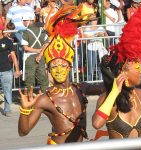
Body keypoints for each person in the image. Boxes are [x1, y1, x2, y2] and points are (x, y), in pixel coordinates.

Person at [18, 5, 106, 145]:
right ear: (49, 70)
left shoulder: (81, 89)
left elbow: (106, 88)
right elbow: (23, 131)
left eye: (62, 65)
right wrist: (24, 110)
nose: (58, 70)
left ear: (70, 67)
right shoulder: (45, 99)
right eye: (54, 66)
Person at [92, 3, 141, 139]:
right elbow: (96, 123)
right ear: (122, 70)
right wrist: (114, 93)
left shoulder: (140, 94)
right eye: (136, 66)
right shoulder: (106, 98)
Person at [21, 12, 49, 92]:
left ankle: (29, 99)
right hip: (41, 57)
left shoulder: (25, 32)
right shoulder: (41, 30)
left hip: (29, 58)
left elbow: (25, 48)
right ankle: (46, 97)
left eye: (24, 21)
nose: (23, 23)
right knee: (43, 79)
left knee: (29, 80)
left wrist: (37, 51)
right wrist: (40, 53)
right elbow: (47, 42)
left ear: (27, 21)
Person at [0, 24, 21, 117]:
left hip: (6, 70)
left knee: (7, 90)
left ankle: (7, 109)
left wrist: (17, 69)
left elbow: (13, 56)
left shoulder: (7, 41)